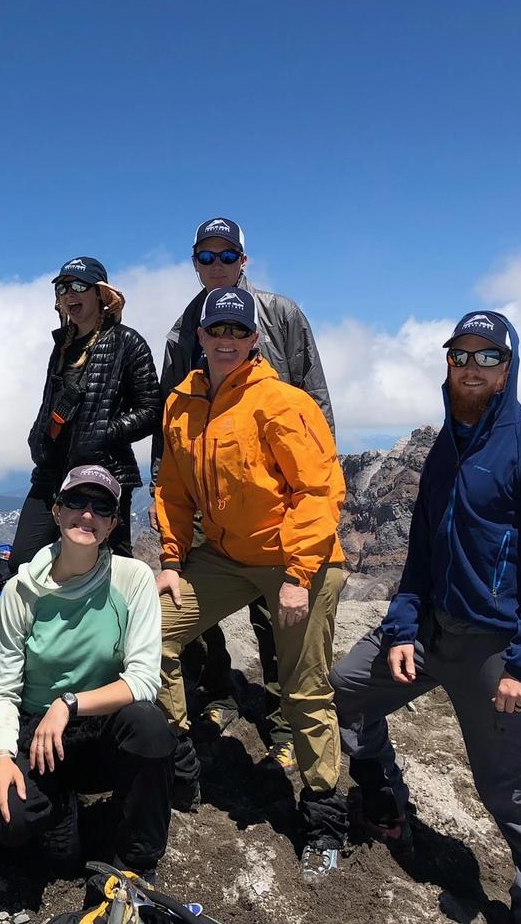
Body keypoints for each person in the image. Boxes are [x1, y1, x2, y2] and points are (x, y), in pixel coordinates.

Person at [329, 311, 521, 922]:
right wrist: (404, 625)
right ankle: (384, 799)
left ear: (508, 369)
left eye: (487, 357)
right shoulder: (446, 448)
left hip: (498, 648)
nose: (471, 366)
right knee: (345, 688)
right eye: (460, 355)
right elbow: (421, 553)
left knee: (515, 788)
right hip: (433, 630)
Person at [152, 287, 348, 872]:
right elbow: (174, 490)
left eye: (238, 334)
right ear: (201, 338)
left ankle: (322, 814)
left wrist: (297, 575)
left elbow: (319, 490)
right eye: (217, 333)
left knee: (304, 686)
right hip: (225, 556)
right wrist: (169, 559)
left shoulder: (284, 403)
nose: (227, 342)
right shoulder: (180, 405)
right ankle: (180, 757)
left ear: (254, 340)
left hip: (299, 559)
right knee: (153, 632)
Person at [154, 216, 335, 774]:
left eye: (225, 256)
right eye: (204, 258)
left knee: (277, 618)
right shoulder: (182, 331)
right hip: (213, 500)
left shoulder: (280, 314)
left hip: (283, 502)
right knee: (188, 614)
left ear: (243, 259)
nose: (216, 266)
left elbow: (314, 400)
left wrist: (314, 499)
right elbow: (176, 438)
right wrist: (170, 549)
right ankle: (213, 705)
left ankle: (284, 723)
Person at [0, 465, 173, 881]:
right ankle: (63, 809)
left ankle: (137, 864)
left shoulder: (132, 578)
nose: (87, 514)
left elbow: (143, 681)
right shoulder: (22, 590)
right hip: (39, 739)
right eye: (76, 502)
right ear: (56, 511)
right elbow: (4, 691)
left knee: (149, 726)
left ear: (113, 524)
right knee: (8, 821)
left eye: (101, 507)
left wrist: (69, 704)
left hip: (99, 729)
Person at [9, 257, 160, 569]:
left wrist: (105, 433)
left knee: (109, 564)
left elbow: (151, 409)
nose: (69, 294)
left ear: (100, 295)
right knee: (24, 562)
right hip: (52, 472)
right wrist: (37, 437)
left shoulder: (127, 342)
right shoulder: (62, 345)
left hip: (103, 473)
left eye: (79, 286)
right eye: (63, 288)